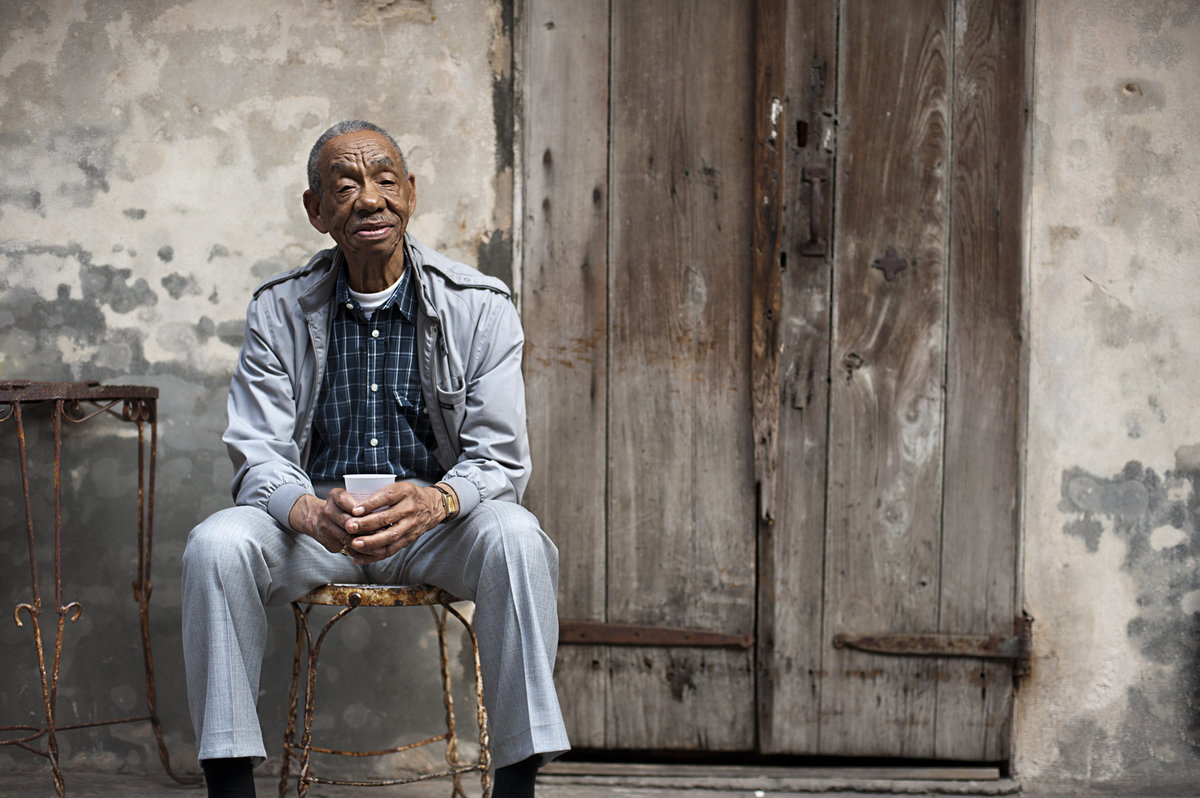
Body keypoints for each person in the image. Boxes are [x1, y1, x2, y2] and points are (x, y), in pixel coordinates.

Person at [182, 120, 569, 798]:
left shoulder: (479, 305)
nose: (369, 200)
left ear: (410, 195)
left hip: (433, 526)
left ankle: (516, 783)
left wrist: (439, 500)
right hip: (319, 528)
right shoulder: (278, 308)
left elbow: (500, 457)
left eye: (386, 181)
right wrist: (303, 508)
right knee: (216, 543)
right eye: (345, 185)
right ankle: (228, 784)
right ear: (316, 210)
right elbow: (257, 453)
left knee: (518, 538)